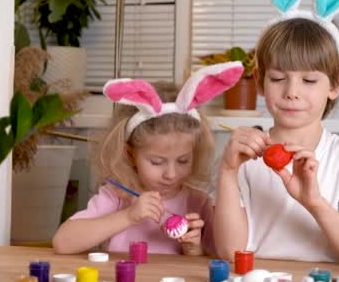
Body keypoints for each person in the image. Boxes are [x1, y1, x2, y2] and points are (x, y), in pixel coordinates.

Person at [213, 0, 339, 267]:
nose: (292, 91)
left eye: (308, 80)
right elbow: (229, 253)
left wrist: (313, 201)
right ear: (261, 81)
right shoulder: (245, 155)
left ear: (335, 84)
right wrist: (226, 172)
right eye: (278, 78)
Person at [53, 62, 244, 256]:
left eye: (183, 160)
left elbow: (222, 257)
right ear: (130, 154)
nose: (171, 174)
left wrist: (194, 249)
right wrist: (128, 216)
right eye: (157, 162)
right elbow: (62, 243)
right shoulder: (116, 197)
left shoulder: (199, 203)